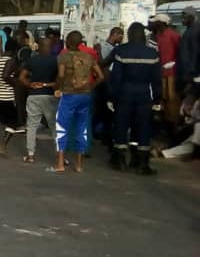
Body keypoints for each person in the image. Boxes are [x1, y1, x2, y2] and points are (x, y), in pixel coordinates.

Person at [108, 22, 161, 174]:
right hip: (144, 94)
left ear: (130, 35)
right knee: (144, 126)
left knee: (121, 125)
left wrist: (112, 97)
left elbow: (116, 78)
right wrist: (157, 99)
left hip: (124, 93)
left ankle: (119, 160)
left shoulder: (121, 51)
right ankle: (142, 162)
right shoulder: (153, 54)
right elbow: (156, 80)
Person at [52, 30, 105, 173]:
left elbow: (61, 75)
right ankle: (79, 165)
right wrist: (90, 87)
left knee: (62, 127)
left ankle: (60, 163)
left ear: (68, 42)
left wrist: (57, 88)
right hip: (85, 96)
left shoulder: (63, 56)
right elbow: (100, 76)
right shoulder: (89, 57)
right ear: (80, 42)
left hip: (69, 95)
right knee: (82, 128)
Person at [19, 37, 59, 164]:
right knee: (54, 126)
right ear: (51, 46)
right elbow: (59, 81)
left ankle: (30, 155)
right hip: (49, 96)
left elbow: (21, 77)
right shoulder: (56, 61)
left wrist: (30, 84)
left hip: (33, 95)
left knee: (32, 126)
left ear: (38, 46)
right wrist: (47, 85)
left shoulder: (32, 60)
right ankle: (60, 156)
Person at [151, 14, 181, 137]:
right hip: (161, 71)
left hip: (172, 72)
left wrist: (174, 63)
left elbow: (180, 53)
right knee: (163, 98)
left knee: (172, 98)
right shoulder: (158, 36)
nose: (154, 24)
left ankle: (174, 124)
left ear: (162, 23)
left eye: (156, 22)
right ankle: (166, 125)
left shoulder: (173, 35)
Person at [179, 6, 199, 91]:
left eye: (184, 17)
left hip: (192, 75)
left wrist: (190, 76)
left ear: (191, 17)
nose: (182, 19)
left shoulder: (194, 31)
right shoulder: (190, 30)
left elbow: (195, 54)